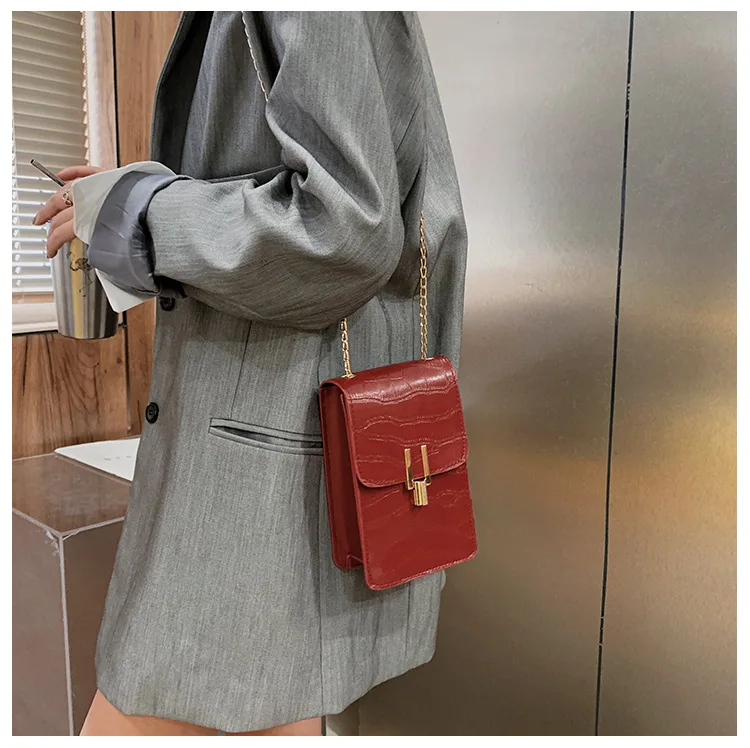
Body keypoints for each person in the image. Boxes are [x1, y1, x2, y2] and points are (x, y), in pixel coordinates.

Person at [36, 11, 468, 736]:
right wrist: (134, 204)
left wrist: (144, 212)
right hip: (273, 463)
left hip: (268, 488)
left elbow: (344, 229)